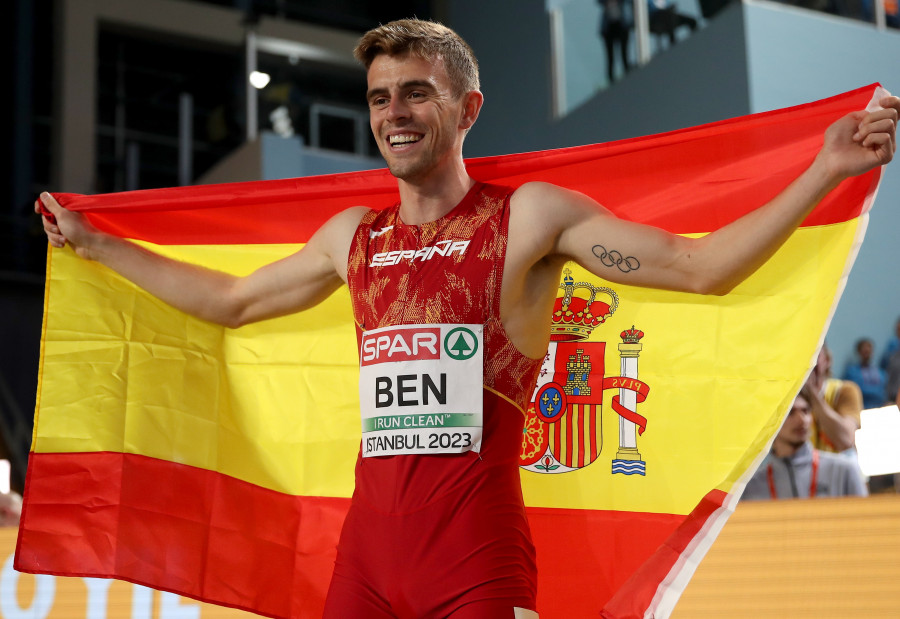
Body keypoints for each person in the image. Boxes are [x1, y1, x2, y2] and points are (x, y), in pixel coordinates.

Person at [37, 18, 899, 619]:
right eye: (379, 98)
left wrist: (825, 168)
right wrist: (96, 245)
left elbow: (701, 267)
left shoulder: (529, 218)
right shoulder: (353, 239)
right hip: (366, 560)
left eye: (417, 93)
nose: (395, 114)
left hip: (474, 559)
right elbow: (228, 303)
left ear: (467, 108)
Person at [742, 387, 868, 500]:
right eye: (790, 412)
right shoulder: (751, 487)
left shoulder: (844, 471)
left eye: (806, 411)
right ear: (770, 423)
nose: (801, 419)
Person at [806, 344, 864, 453]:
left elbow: (846, 440)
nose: (809, 363)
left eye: (814, 356)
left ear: (827, 360)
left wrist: (813, 395)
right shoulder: (791, 400)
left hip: (839, 467)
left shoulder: (845, 390)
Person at [842, 337, 886, 409]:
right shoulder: (852, 372)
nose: (867, 353)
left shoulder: (880, 372)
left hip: (879, 408)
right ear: (859, 352)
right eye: (864, 351)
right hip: (860, 409)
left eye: (869, 350)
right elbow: (855, 390)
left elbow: (883, 392)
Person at [599, 0, 632, 84]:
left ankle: (627, 71)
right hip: (609, 29)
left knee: (624, 53)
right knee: (610, 57)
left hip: (621, 26)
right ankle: (611, 79)